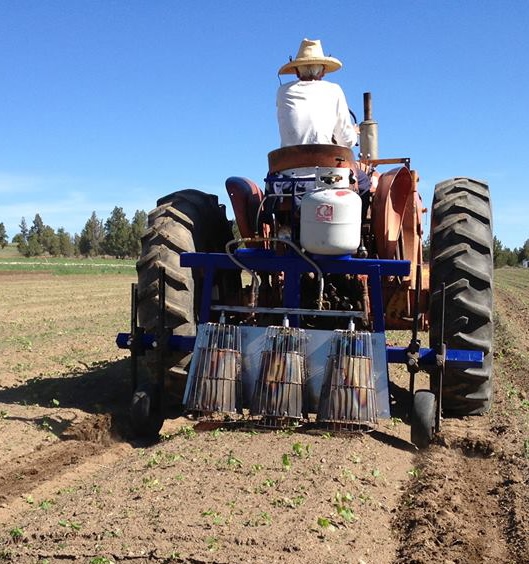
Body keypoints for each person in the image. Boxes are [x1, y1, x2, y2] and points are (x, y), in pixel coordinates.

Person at [276, 38, 358, 149]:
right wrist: (353, 132)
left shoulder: (283, 91)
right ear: (323, 72)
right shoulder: (334, 90)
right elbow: (345, 140)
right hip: (325, 161)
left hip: (288, 162)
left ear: (296, 72)